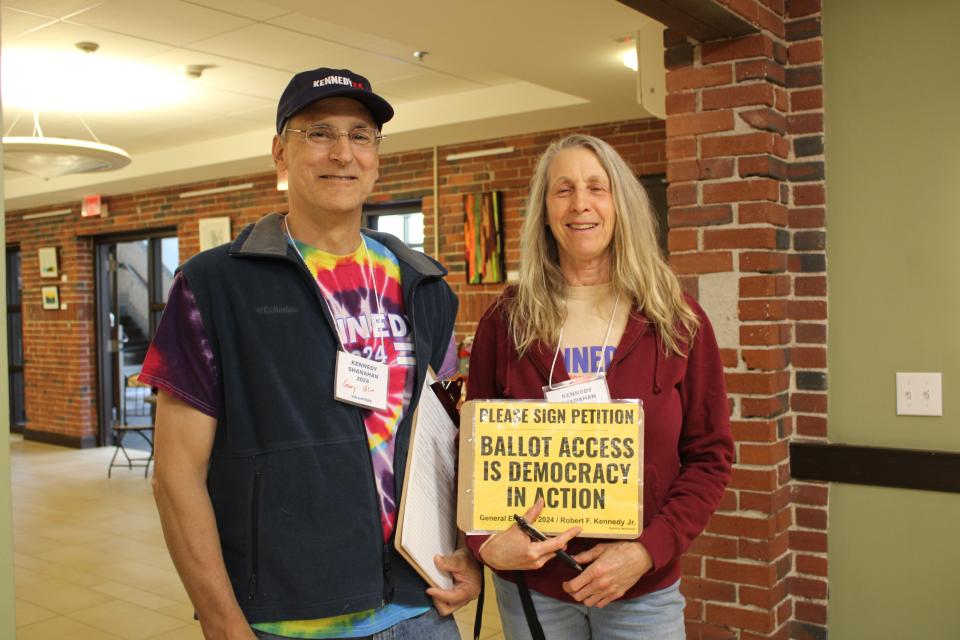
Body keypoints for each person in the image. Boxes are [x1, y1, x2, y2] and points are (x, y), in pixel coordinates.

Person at [141, 67, 480, 640]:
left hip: (420, 607)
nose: (342, 153)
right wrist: (223, 622)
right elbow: (175, 475)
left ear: (376, 153)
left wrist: (467, 550)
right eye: (318, 133)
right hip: (285, 619)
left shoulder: (425, 286)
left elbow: (445, 443)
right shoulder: (214, 286)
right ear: (280, 152)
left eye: (360, 135)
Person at [464, 134, 734, 639]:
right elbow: (471, 450)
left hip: (642, 592)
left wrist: (648, 549)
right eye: (562, 190)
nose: (580, 203)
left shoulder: (676, 320)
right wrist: (482, 543)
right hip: (536, 589)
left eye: (596, 187)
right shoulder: (506, 322)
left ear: (621, 205)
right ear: (545, 212)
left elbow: (710, 455)